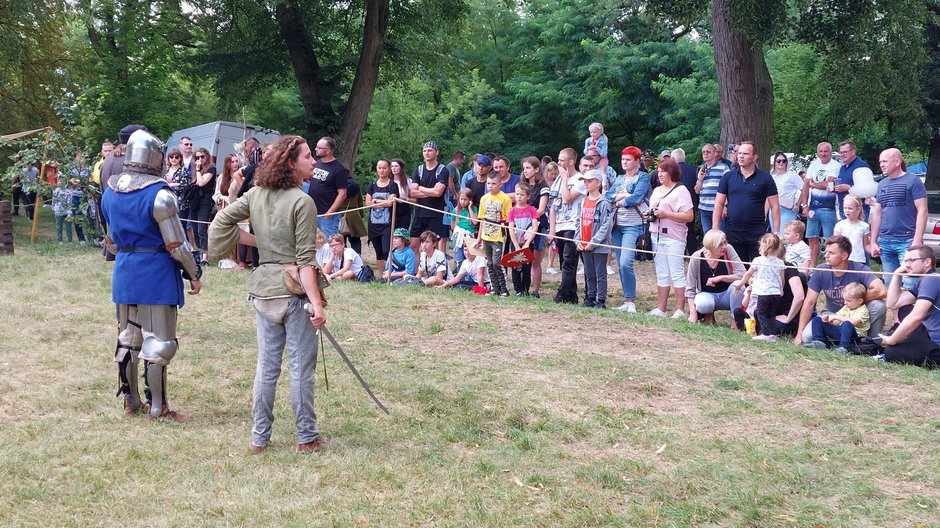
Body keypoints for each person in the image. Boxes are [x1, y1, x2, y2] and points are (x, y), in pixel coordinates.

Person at [208, 134, 327, 453]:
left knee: (267, 365)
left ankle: (260, 438)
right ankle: (307, 437)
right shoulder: (303, 201)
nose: (313, 162)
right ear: (291, 163)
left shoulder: (256, 194)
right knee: (301, 365)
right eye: (307, 157)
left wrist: (257, 245)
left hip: (263, 289)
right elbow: (304, 260)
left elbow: (222, 221)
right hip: (292, 292)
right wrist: (317, 304)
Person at [101, 128, 202, 422]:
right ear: (155, 157)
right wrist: (194, 272)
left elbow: (111, 241)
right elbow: (177, 245)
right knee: (160, 342)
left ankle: (131, 401)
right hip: (154, 272)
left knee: (128, 337)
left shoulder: (111, 191)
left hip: (125, 269)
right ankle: (158, 408)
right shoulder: (160, 196)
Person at [793, 235, 887, 345]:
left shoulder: (859, 269)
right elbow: (809, 302)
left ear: (844, 256)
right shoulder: (820, 270)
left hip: (856, 313)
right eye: (826, 252)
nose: (826, 256)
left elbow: (882, 291)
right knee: (807, 337)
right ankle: (844, 341)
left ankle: (871, 342)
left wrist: (855, 300)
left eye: (831, 253)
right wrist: (799, 334)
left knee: (878, 305)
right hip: (832, 314)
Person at [712, 141, 780, 264]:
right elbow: (718, 204)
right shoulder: (728, 177)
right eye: (739, 153)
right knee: (737, 270)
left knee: (758, 270)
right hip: (733, 232)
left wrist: (776, 233)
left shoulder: (766, 178)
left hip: (757, 233)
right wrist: (715, 228)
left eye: (745, 153)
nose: (741, 156)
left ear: (754, 157)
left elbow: (775, 206)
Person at [869, 148, 928, 278]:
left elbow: (922, 211)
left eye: (885, 161)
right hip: (885, 241)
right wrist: (873, 241)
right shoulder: (882, 184)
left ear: (897, 162)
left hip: (907, 240)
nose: (881, 165)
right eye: (880, 162)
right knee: (890, 284)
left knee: (910, 282)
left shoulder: (913, 181)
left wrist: (917, 240)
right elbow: (877, 213)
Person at [606, 146, 651, 313]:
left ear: (637, 161)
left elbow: (637, 198)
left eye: (628, 160)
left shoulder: (643, 177)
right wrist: (624, 196)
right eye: (623, 159)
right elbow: (607, 196)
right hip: (617, 224)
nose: (624, 162)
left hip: (633, 225)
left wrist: (620, 200)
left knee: (626, 262)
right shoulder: (619, 178)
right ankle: (627, 299)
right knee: (619, 262)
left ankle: (631, 301)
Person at [648, 158, 694, 318]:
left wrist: (666, 214)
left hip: (674, 237)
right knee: (662, 273)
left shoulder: (681, 191)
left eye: (663, 171)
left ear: (671, 173)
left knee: (676, 273)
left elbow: (689, 216)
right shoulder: (656, 191)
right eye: (658, 171)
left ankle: (680, 310)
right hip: (656, 235)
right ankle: (661, 308)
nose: (659, 174)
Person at [880, 245, 940, 366]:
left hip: (937, 345)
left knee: (890, 352)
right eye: (906, 260)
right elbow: (893, 303)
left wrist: (892, 340)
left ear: (927, 262)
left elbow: (916, 316)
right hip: (928, 333)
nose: (906, 265)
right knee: (904, 309)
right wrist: (897, 275)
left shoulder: (932, 280)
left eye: (911, 260)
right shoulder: (924, 281)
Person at [548, 148, 588, 304]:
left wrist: (565, 180)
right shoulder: (557, 180)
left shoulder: (580, 179)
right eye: (558, 160)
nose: (559, 163)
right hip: (559, 226)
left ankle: (562, 294)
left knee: (569, 261)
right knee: (563, 262)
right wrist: (552, 229)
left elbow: (567, 199)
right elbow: (553, 205)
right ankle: (571, 296)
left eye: (562, 160)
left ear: (571, 162)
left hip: (573, 226)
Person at [685, 229, 746, 324]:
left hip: (727, 295)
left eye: (725, 242)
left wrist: (721, 278)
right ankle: (708, 314)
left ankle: (735, 320)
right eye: (720, 244)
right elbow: (690, 288)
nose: (724, 247)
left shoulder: (729, 249)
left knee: (739, 285)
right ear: (710, 246)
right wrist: (693, 314)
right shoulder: (696, 257)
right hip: (707, 295)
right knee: (703, 305)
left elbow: (742, 274)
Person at [734, 234, 785, 341]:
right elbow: (782, 279)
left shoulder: (758, 260)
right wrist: (781, 289)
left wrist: (740, 284)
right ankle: (772, 334)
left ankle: (766, 334)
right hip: (775, 293)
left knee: (762, 313)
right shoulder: (780, 262)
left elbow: (748, 274)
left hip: (764, 293)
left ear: (764, 247)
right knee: (771, 314)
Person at [575, 170, 613, 308]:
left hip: (599, 246)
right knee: (589, 272)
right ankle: (590, 297)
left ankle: (601, 300)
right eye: (584, 181)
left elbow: (606, 225)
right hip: (584, 244)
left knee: (600, 274)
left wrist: (594, 242)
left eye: (589, 181)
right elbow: (577, 222)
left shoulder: (604, 203)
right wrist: (578, 240)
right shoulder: (583, 202)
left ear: (598, 183)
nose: (586, 184)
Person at [799, 142, 841, 266]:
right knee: (812, 238)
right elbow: (805, 185)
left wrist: (813, 184)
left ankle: (830, 265)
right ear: (817, 152)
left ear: (830, 152)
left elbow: (829, 185)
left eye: (826, 151)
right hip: (813, 207)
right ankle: (813, 267)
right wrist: (805, 205)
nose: (823, 154)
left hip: (829, 208)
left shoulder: (835, 166)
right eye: (821, 151)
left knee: (829, 240)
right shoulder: (813, 165)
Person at [475, 172, 513, 296]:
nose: (490, 186)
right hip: (486, 234)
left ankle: (504, 289)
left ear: (500, 184)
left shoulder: (505, 199)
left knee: (497, 263)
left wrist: (505, 227)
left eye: (494, 183)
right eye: (488, 183)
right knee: (489, 263)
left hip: (498, 235)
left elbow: (508, 219)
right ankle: (494, 288)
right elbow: (482, 219)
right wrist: (479, 237)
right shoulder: (484, 198)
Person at [807, 282, 869, 354]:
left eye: (848, 301)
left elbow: (853, 322)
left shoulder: (863, 310)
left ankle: (843, 348)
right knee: (817, 320)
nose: (845, 303)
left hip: (854, 337)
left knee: (847, 324)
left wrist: (836, 316)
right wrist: (829, 321)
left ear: (860, 301)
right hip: (841, 332)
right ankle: (819, 342)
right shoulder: (846, 307)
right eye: (844, 300)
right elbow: (837, 322)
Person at [409, 141, 449, 250]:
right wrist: (431, 191)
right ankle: (417, 268)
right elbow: (412, 192)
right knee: (413, 245)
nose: (427, 153)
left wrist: (421, 188)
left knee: (431, 247)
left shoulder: (443, 170)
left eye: (430, 150)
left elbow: (438, 193)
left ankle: (432, 267)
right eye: (424, 150)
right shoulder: (419, 170)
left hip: (435, 214)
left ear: (436, 152)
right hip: (419, 213)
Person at [307, 137, 349, 237]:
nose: (316, 149)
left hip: (327, 215)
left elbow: (342, 194)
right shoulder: (317, 163)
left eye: (319, 148)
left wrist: (330, 211)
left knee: (330, 242)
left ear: (328, 150)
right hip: (313, 212)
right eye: (316, 147)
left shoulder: (338, 169)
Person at [521, 156, 550, 298]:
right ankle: (523, 288)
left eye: (528, 168)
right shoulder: (522, 186)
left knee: (535, 261)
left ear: (537, 169)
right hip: (522, 226)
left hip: (539, 226)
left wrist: (524, 213)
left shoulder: (543, 187)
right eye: (524, 168)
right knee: (523, 258)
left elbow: (541, 209)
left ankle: (535, 291)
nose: (525, 171)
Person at [365, 159, 400, 273]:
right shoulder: (372, 185)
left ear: (389, 169)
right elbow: (367, 203)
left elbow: (390, 203)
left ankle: (388, 274)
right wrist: (380, 202)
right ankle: (382, 276)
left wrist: (375, 202)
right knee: (378, 252)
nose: (382, 170)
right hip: (373, 224)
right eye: (379, 168)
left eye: (384, 168)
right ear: (376, 169)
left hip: (387, 224)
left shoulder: (393, 185)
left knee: (386, 251)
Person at [507, 182, 539, 296]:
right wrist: (516, 245)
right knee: (515, 267)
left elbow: (535, 226)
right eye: (517, 194)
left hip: (527, 244)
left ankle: (525, 289)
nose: (519, 197)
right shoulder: (512, 211)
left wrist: (527, 243)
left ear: (528, 196)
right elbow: (511, 229)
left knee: (526, 267)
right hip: (516, 243)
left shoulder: (532, 210)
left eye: (522, 194)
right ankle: (518, 290)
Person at [835, 140, 873, 221]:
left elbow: (868, 190)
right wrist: (835, 189)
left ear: (853, 152)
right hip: (844, 210)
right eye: (841, 152)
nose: (842, 155)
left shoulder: (862, 166)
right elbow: (842, 188)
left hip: (859, 211)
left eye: (845, 152)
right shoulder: (842, 168)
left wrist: (849, 188)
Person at [191, 148, 217, 265]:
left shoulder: (211, 168)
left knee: (202, 229)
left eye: (202, 156)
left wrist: (197, 170)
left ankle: (204, 257)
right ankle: (199, 254)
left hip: (205, 201)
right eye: (197, 157)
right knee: (195, 229)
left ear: (207, 156)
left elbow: (201, 183)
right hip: (195, 201)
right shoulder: (197, 169)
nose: (200, 159)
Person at [770, 152, 802, 235]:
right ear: (775, 162)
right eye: (778, 161)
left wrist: (798, 204)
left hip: (787, 209)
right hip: (773, 208)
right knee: (775, 235)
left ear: (786, 163)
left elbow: (804, 189)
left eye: (783, 161)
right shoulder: (772, 177)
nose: (781, 163)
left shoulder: (792, 175)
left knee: (785, 235)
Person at [833, 195, 870, 264]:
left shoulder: (864, 226)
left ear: (858, 209)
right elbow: (836, 244)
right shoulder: (839, 225)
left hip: (859, 260)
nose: (847, 211)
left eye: (850, 208)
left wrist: (874, 250)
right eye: (845, 208)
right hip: (843, 260)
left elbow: (866, 245)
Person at [341, 178, 367, 254]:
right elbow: (360, 202)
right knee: (355, 241)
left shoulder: (338, 185)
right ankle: (357, 259)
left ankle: (343, 260)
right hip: (354, 216)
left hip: (340, 215)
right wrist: (361, 215)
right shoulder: (355, 185)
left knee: (341, 241)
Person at [390, 158, 413, 233]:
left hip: (404, 209)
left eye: (396, 166)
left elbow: (415, 200)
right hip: (391, 209)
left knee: (402, 233)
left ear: (401, 167)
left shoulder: (408, 181)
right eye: (392, 166)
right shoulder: (388, 181)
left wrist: (406, 199)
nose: (393, 168)